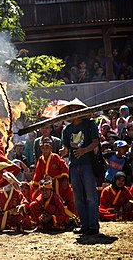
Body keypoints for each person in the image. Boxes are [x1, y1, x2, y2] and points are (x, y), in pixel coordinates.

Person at [60, 98, 100, 235]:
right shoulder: (67, 129)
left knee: (90, 196)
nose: (73, 111)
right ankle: (84, 225)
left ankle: (93, 225)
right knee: (78, 197)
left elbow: (95, 142)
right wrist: (64, 151)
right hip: (73, 165)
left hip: (87, 164)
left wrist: (84, 150)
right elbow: (65, 147)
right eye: (71, 109)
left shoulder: (89, 125)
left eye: (76, 109)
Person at [32, 138, 78, 218]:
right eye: (43, 148)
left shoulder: (56, 157)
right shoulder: (40, 159)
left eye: (47, 148)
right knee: (36, 196)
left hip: (58, 183)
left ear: (51, 148)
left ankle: (71, 217)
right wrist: (36, 184)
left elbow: (64, 167)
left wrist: (64, 179)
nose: (45, 150)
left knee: (68, 197)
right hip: (46, 185)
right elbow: (38, 173)